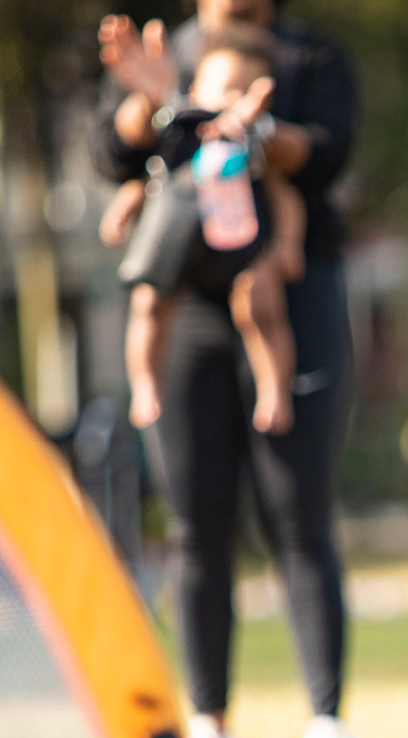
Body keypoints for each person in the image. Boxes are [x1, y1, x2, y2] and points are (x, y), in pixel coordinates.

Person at [93, 0, 364, 738]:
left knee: (298, 512)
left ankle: (326, 719)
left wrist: (249, 128)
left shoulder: (314, 58)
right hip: (188, 307)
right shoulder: (165, 50)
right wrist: (153, 103)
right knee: (195, 521)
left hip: (286, 299)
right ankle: (208, 720)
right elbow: (114, 154)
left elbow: (327, 158)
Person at [104, 27, 306, 438]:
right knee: (148, 304)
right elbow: (148, 180)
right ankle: (144, 382)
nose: (232, 101)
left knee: (261, 306)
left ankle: (275, 388)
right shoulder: (180, 136)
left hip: (240, 246)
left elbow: (284, 197)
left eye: (244, 92)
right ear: (197, 89)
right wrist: (123, 211)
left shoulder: (252, 147)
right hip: (179, 246)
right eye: (225, 89)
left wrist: (288, 245)